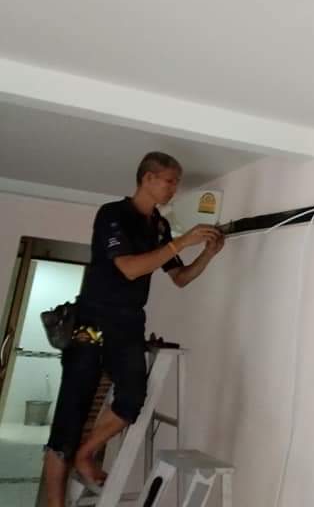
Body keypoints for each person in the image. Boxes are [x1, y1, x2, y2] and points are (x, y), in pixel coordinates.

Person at [43, 152, 224, 507]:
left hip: (127, 323)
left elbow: (180, 277)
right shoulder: (113, 214)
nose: (174, 188)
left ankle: (86, 453)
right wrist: (180, 242)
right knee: (68, 420)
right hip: (91, 322)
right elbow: (128, 268)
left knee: (131, 399)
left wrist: (207, 254)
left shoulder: (159, 226)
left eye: (177, 182)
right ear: (147, 178)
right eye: (170, 181)